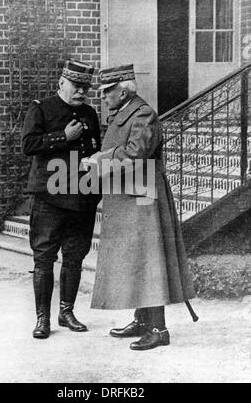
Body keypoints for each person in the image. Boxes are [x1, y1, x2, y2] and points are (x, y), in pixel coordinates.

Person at [87, 64, 196, 351]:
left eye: (107, 92)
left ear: (123, 92)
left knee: (149, 259)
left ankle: (159, 329)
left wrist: (100, 159)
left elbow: (137, 153)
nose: (103, 97)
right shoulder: (125, 113)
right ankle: (142, 319)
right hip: (129, 193)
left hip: (143, 194)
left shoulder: (143, 114)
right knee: (134, 258)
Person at [22, 59, 101, 339]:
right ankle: (43, 318)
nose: (81, 92)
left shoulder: (91, 113)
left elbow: (96, 151)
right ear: (61, 84)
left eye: (85, 88)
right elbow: (28, 145)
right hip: (50, 197)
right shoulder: (41, 108)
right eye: (76, 86)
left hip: (81, 198)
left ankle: (66, 312)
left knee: (75, 256)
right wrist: (62, 136)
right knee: (44, 258)